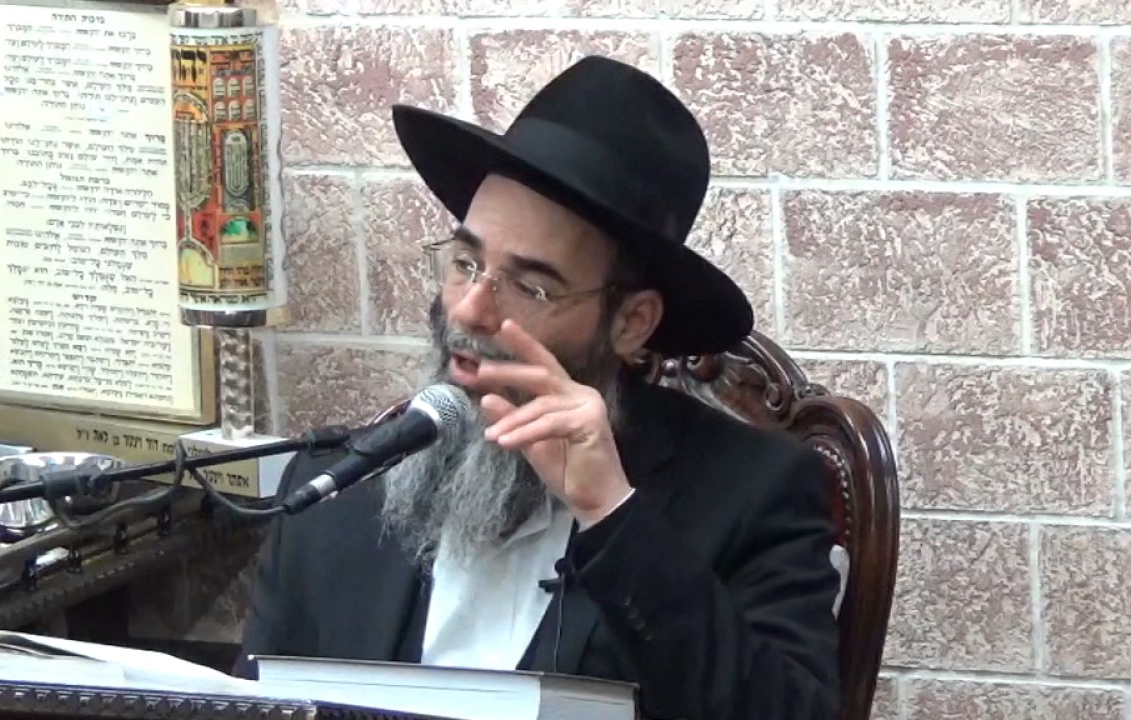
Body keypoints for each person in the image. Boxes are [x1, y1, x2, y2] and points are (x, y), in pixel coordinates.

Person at [237, 55, 842, 719]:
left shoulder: (754, 493)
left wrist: (612, 514)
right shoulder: (332, 492)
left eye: (530, 287)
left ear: (631, 323)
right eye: (466, 262)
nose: (470, 310)